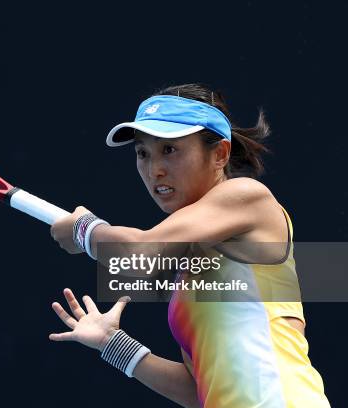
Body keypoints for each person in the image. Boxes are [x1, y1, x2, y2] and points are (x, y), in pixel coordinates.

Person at [48, 84, 331, 408]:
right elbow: (200, 391)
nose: (155, 170)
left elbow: (141, 253)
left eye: (170, 150)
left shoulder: (247, 197)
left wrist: (85, 229)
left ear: (220, 154)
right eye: (143, 153)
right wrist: (112, 344)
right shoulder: (190, 276)